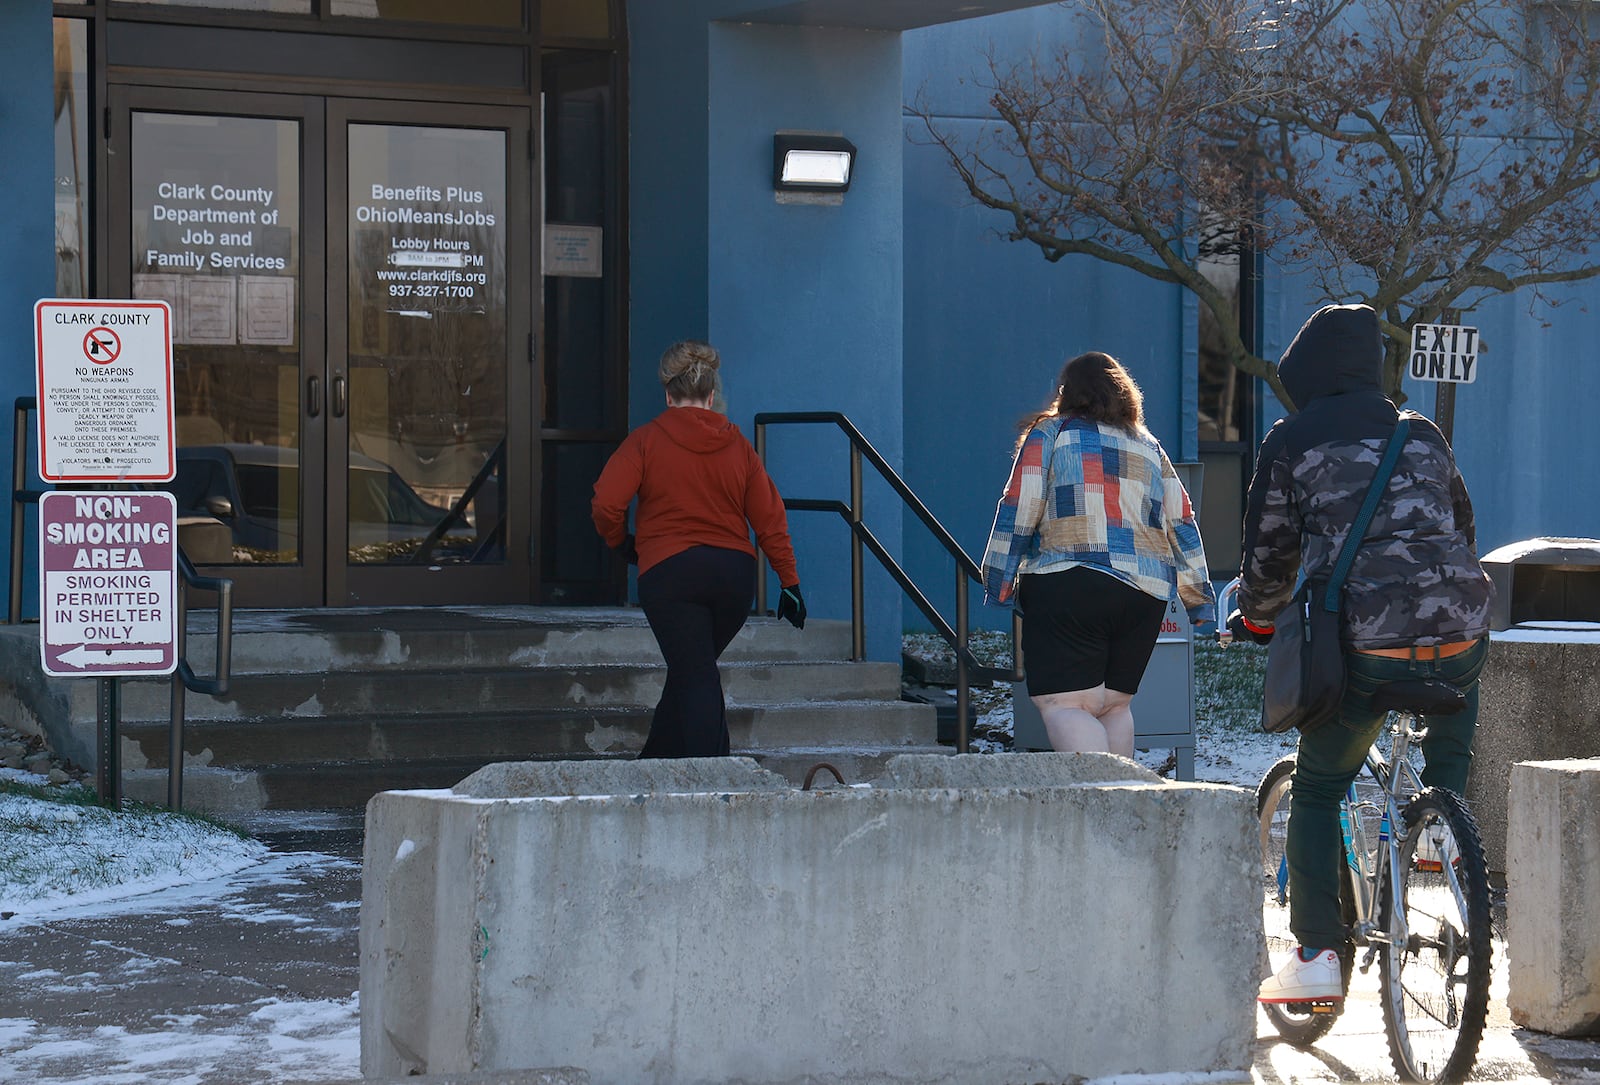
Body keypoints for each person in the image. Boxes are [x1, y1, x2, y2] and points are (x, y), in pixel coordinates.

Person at [1227, 303, 1494, 1005]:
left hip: (1367, 640)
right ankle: (1445, 828)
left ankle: (1316, 955)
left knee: (1316, 786)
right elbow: (1460, 523)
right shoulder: (1422, 432)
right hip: (1462, 623)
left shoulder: (1293, 439)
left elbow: (1267, 557)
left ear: (1307, 369)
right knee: (1455, 705)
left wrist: (1254, 620)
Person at [980, 350, 1215, 755]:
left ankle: (1098, 804)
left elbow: (1019, 508)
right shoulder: (1149, 446)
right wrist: (1198, 600)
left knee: (1064, 703)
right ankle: (1122, 806)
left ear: (1067, 392)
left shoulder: (1051, 434)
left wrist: (999, 581)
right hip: (1144, 595)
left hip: (1071, 581)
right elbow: (1182, 522)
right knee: (1112, 705)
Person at [591, 339, 806, 759]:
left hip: (671, 574)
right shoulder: (740, 446)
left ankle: (713, 776)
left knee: (695, 674)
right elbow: (770, 518)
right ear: (711, 396)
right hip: (733, 577)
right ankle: (655, 763)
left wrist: (621, 544)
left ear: (668, 395)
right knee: (692, 670)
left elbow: (605, 503)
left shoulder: (646, 441)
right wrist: (789, 581)